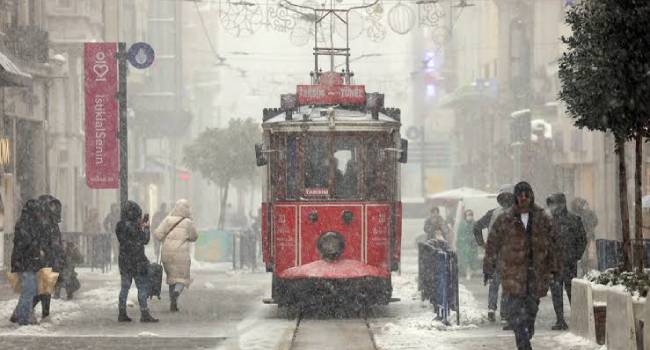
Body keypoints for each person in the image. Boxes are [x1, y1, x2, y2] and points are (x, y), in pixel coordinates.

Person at [484, 181, 559, 350]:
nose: (523, 199)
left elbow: (554, 245)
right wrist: (488, 267)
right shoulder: (505, 219)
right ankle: (524, 344)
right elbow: (492, 244)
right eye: (520, 195)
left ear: (531, 196)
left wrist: (554, 268)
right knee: (516, 316)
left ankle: (526, 333)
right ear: (515, 198)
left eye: (527, 195)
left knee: (530, 313)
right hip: (512, 275)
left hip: (536, 276)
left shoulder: (542, 218)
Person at [475, 184, 514, 324]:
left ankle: (491, 309)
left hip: (494, 253)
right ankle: (504, 314)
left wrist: (482, 244)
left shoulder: (493, 213)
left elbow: (476, 226)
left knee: (494, 282)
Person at [547, 193, 587, 330]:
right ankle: (560, 320)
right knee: (556, 293)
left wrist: (576, 255)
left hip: (569, 263)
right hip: (553, 264)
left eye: (554, 204)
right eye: (551, 205)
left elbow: (582, 239)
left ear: (562, 204)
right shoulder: (549, 222)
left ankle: (577, 319)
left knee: (571, 291)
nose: (552, 207)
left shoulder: (574, 220)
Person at [116, 200, 158, 322]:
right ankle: (144, 313)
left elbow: (125, 239)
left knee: (125, 288)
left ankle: (122, 312)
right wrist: (145, 228)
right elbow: (144, 240)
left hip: (124, 261)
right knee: (142, 287)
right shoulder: (135, 227)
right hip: (137, 261)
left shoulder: (120, 226)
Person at [154, 199, 198, 312]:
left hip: (167, 253)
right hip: (181, 253)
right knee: (182, 279)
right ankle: (176, 293)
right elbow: (194, 237)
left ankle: (173, 304)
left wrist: (167, 238)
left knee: (172, 278)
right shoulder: (188, 222)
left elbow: (157, 234)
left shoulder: (168, 219)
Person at [10, 200, 46, 325]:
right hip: (25, 262)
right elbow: (26, 243)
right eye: (37, 210)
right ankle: (23, 318)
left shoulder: (31, 223)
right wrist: (37, 249)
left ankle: (20, 314)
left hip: (28, 261)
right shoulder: (25, 224)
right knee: (29, 290)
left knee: (31, 290)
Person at [33, 194, 65, 320]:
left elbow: (56, 241)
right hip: (44, 259)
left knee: (46, 288)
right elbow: (42, 241)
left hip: (52, 259)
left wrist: (60, 254)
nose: (54, 209)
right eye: (51, 206)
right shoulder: (41, 223)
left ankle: (43, 312)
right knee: (44, 289)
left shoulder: (52, 223)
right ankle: (33, 310)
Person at [571, 198, 598, 273]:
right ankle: (584, 267)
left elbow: (595, 221)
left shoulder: (587, 213)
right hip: (583, 235)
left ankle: (584, 267)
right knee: (584, 252)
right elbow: (594, 221)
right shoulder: (581, 213)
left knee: (585, 252)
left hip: (586, 235)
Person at [456, 209, 479, 280]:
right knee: (466, 259)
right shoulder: (462, 224)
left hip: (473, 245)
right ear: (465, 216)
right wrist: (462, 241)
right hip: (464, 245)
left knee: (473, 259)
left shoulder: (475, 223)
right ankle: (467, 272)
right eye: (468, 215)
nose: (470, 216)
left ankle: (471, 271)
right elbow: (460, 234)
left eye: (471, 215)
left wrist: (475, 240)